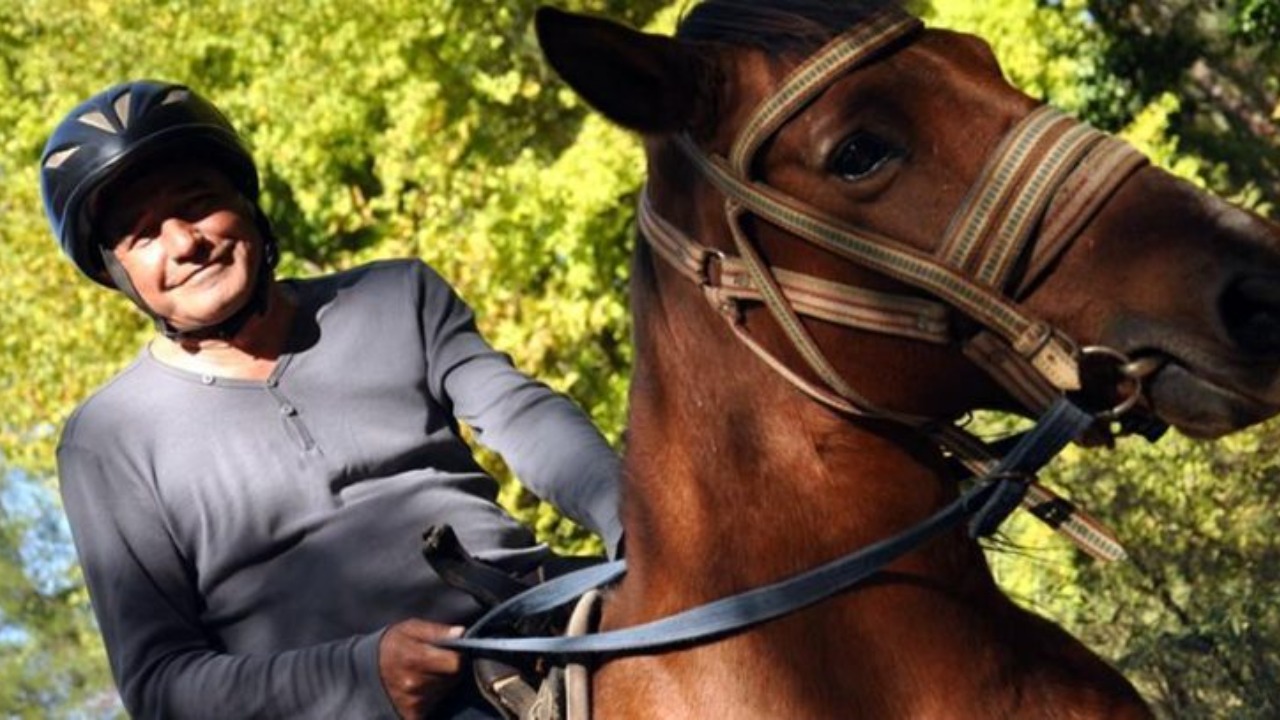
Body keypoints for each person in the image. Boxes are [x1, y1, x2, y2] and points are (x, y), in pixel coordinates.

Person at [39, 80, 623, 719]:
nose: (184, 244)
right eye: (144, 235)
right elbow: (159, 681)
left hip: (544, 619)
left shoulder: (397, 297)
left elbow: (523, 416)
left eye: (198, 204)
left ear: (246, 204)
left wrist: (633, 520)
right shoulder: (108, 440)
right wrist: (357, 677)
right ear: (117, 273)